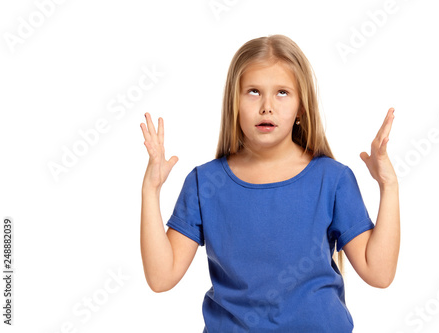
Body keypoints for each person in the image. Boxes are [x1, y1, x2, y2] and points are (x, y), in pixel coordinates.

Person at [140, 34, 400, 332]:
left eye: (282, 93)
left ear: (302, 106)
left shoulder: (332, 179)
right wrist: (151, 190)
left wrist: (388, 184)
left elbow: (379, 273)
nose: (267, 106)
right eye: (253, 92)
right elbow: (161, 278)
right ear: (233, 103)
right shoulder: (204, 183)